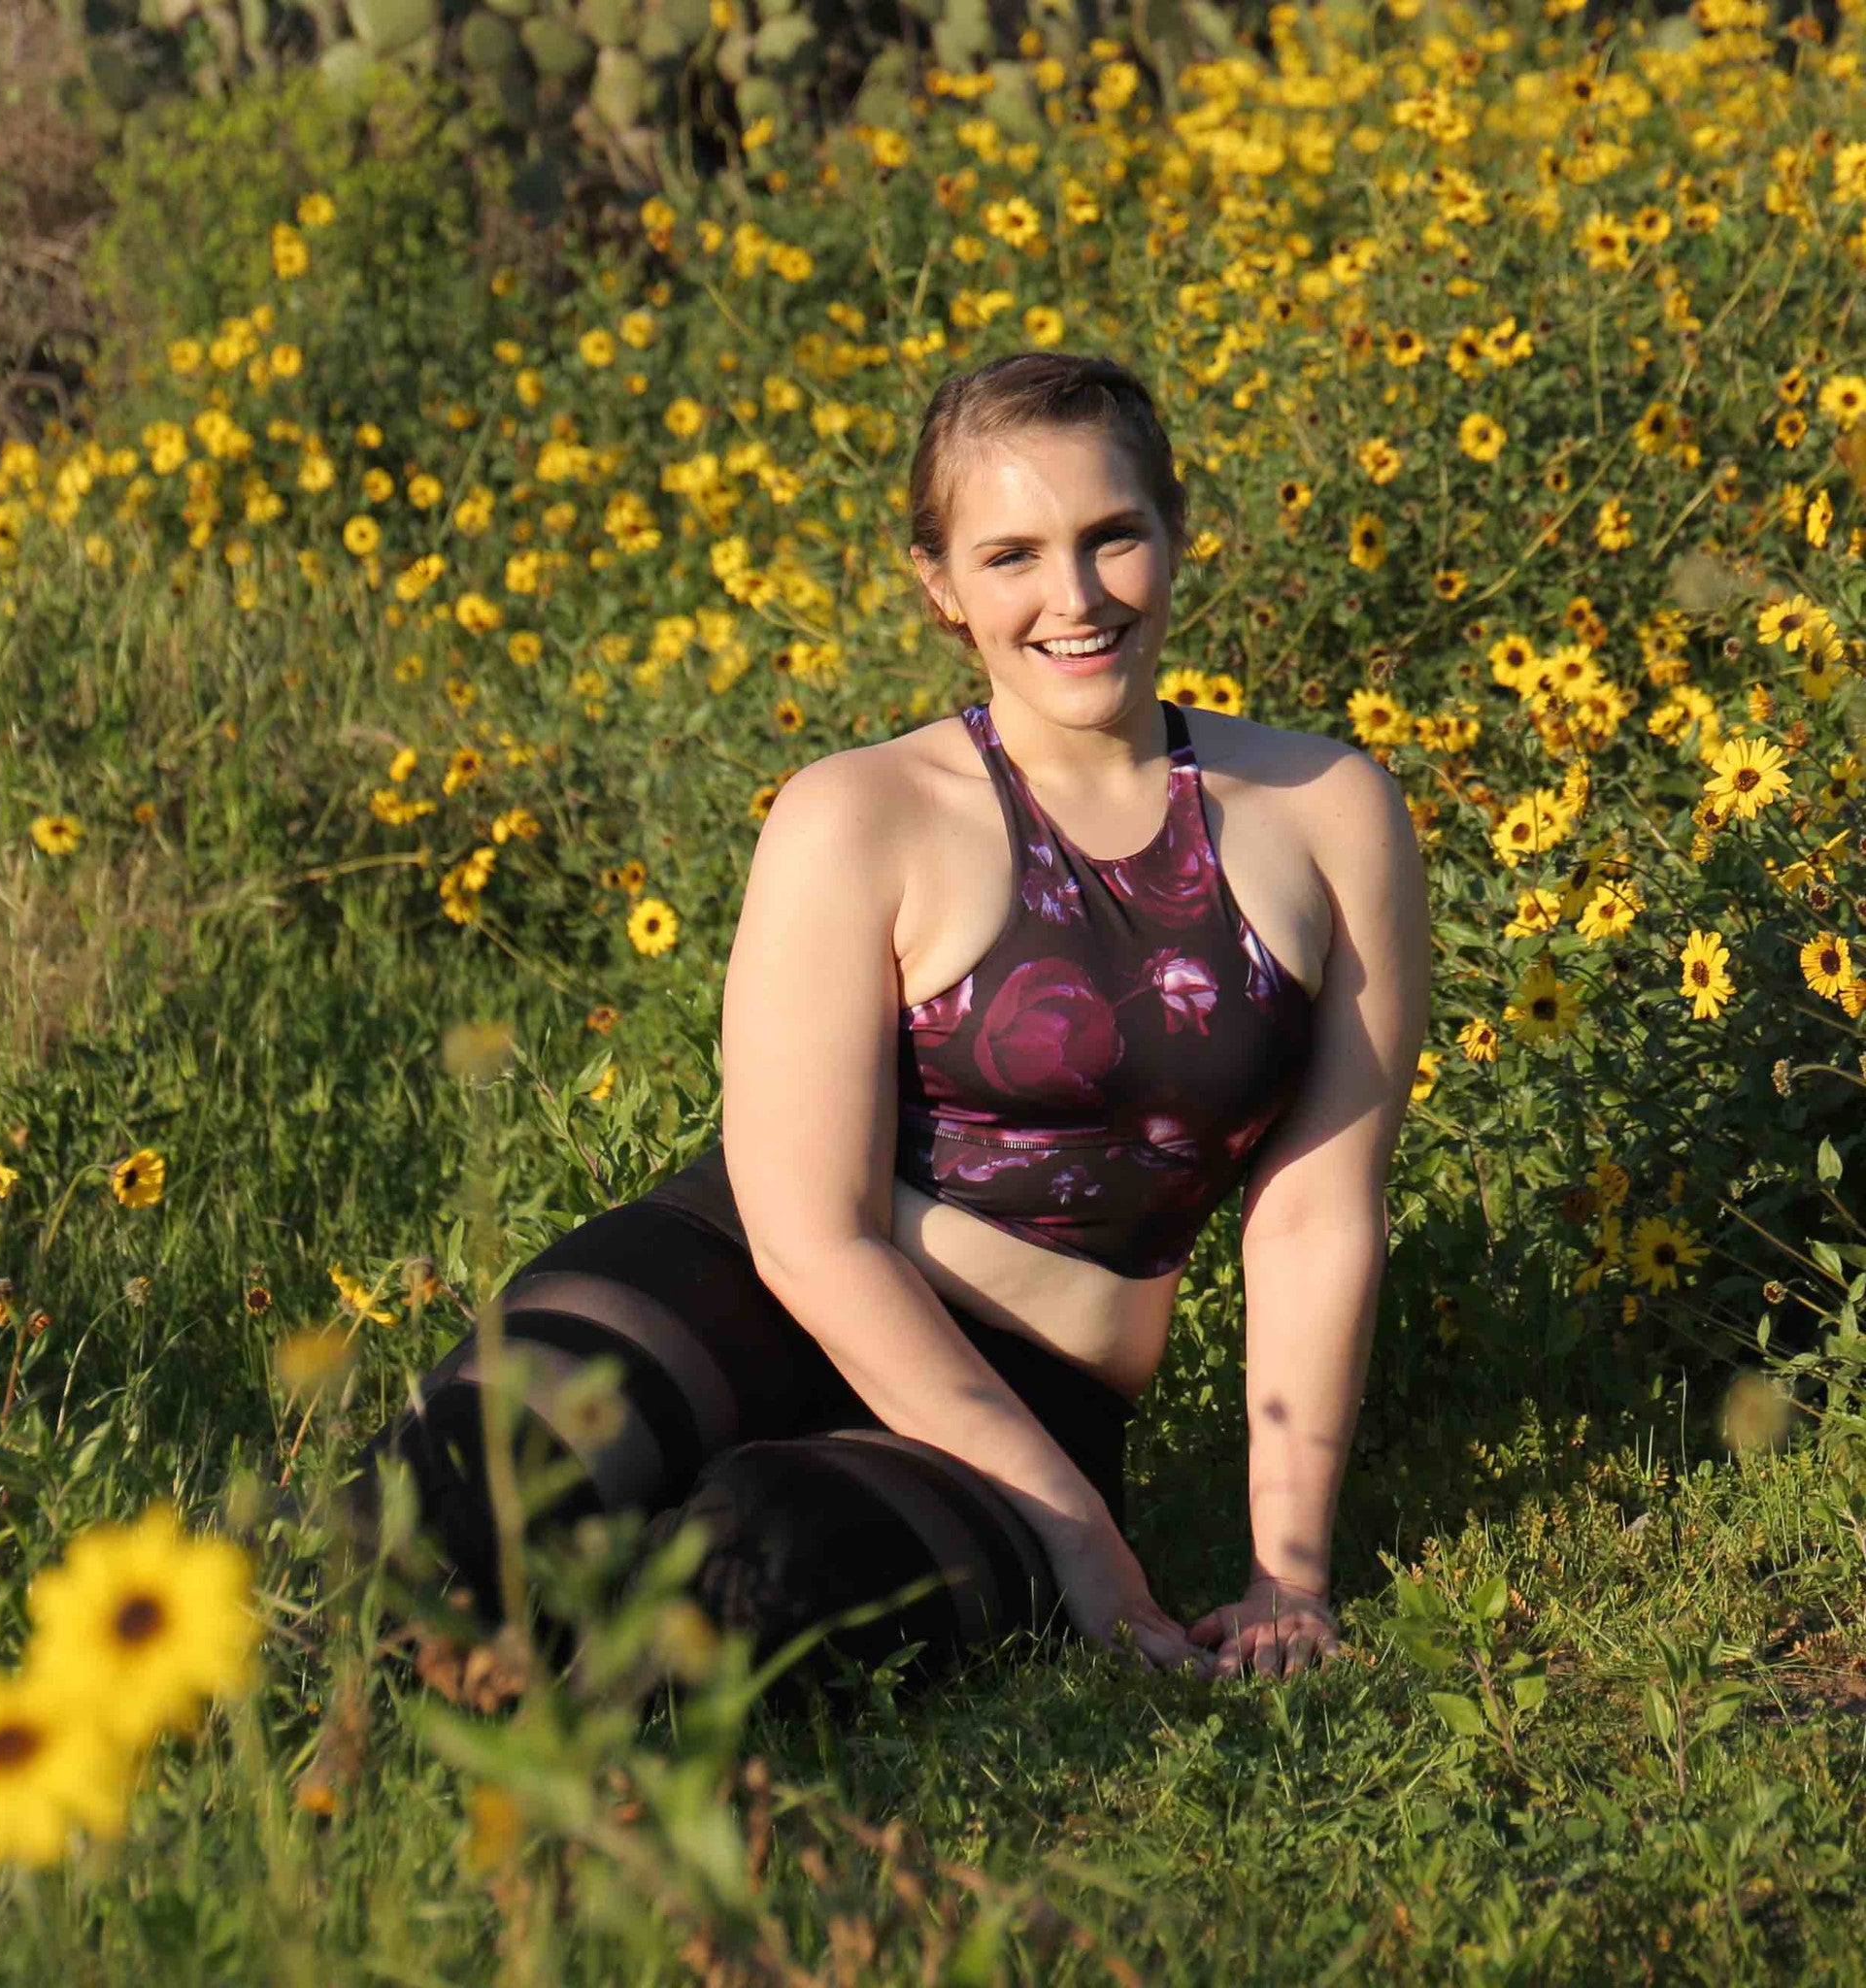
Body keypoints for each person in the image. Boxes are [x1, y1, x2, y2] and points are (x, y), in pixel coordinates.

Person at [343, 350, 1431, 1708]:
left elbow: (1318, 1214)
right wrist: (1083, 1534)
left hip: (1035, 1388)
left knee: (757, 1577)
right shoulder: (858, 812)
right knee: (450, 1509)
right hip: (740, 1284)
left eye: (1112, 538)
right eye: (1013, 555)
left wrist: (1289, 1578)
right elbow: (808, 1232)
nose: (1074, 598)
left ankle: (555, 1722)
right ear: (940, 583)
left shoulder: (1330, 812)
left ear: (1176, 534)